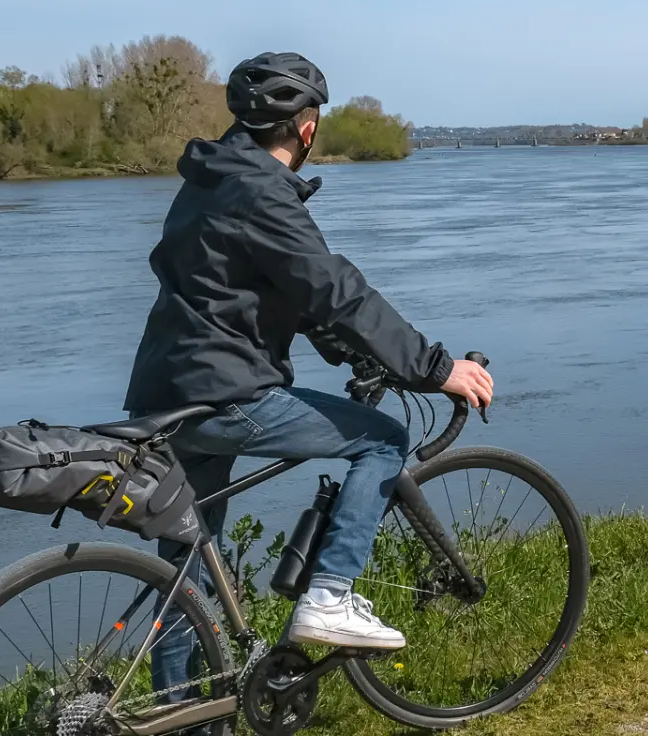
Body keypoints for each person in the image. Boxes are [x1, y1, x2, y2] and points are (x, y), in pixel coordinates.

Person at [126, 52, 493, 693]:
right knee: (382, 439)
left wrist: (359, 356)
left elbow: (277, 291)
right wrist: (433, 369)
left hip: (165, 395)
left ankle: (175, 713)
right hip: (229, 395)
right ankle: (329, 596)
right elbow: (335, 292)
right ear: (305, 126)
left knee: (187, 574)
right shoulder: (262, 193)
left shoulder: (210, 180)